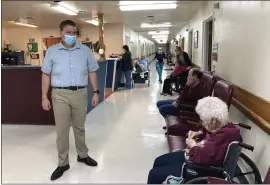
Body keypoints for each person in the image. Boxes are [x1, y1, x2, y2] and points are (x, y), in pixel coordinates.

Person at [41, 20, 99, 181]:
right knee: (62, 130)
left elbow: (93, 71)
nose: (71, 35)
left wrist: (96, 91)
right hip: (59, 94)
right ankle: (63, 163)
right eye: (68, 32)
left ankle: (82, 155)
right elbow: (45, 74)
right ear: (61, 33)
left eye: (74, 32)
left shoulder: (85, 51)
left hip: (80, 93)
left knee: (79, 127)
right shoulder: (52, 52)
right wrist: (44, 96)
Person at [148, 97, 241, 184]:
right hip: (194, 159)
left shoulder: (224, 135)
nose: (201, 123)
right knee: (158, 161)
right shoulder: (224, 126)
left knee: (154, 174)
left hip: (199, 169)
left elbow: (203, 156)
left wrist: (193, 145)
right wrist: (199, 133)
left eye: (203, 120)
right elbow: (211, 135)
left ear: (213, 120)